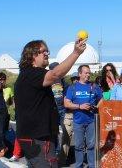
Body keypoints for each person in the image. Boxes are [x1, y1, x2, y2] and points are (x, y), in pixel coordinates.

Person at [15, 38, 86, 167]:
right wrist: (76, 53)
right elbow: (55, 75)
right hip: (38, 138)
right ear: (32, 55)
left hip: (34, 137)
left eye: (48, 51)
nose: (47, 54)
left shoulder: (26, 74)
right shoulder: (32, 73)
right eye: (44, 51)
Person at [65, 64, 103, 168]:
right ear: (80, 74)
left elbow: (102, 98)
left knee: (91, 145)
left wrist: (96, 107)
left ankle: (91, 165)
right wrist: (80, 106)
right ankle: (79, 165)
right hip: (78, 121)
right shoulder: (72, 87)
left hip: (91, 120)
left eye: (89, 73)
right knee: (78, 146)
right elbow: (66, 103)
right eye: (86, 73)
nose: (88, 75)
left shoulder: (94, 86)